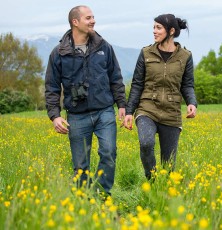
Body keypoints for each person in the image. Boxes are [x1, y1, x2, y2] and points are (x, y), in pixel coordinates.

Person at [45, 5, 126, 196]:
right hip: (76, 116)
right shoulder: (59, 53)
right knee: (81, 165)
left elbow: (116, 77)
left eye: (93, 17)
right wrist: (54, 116)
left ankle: (101, 194)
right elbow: (52, 87)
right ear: (75, 22)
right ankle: (84, 201)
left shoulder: (104, 47)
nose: (93, 21)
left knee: (108, 153)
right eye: (88, 18)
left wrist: (121, 104)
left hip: (104, 111)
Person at [124, 14, 197, 180]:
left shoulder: (185, 56)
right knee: (146, 142)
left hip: (171, 112)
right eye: (154, 27)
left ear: (171, 31)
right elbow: (137, 84)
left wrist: (192, 102)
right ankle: (152, 180)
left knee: (168, 164)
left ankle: (163, 192)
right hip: (147, 108)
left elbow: (187, 85)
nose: (154, 31)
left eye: (158, 28)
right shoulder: (146, 53)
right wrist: (129, 111)